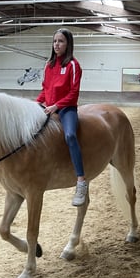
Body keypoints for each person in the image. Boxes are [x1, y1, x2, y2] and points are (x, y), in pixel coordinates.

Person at [36, 28, 89, 206]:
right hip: (49, 107)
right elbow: (45, 90)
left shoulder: (73, 65)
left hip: (66, 109)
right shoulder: (48, 65)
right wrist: (36, 104)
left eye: (61, 41)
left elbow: (73, 93)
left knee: (70, 135)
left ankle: (81, 181)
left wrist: (56, 106)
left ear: (68, 44)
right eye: (55, 41)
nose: (57, 44)